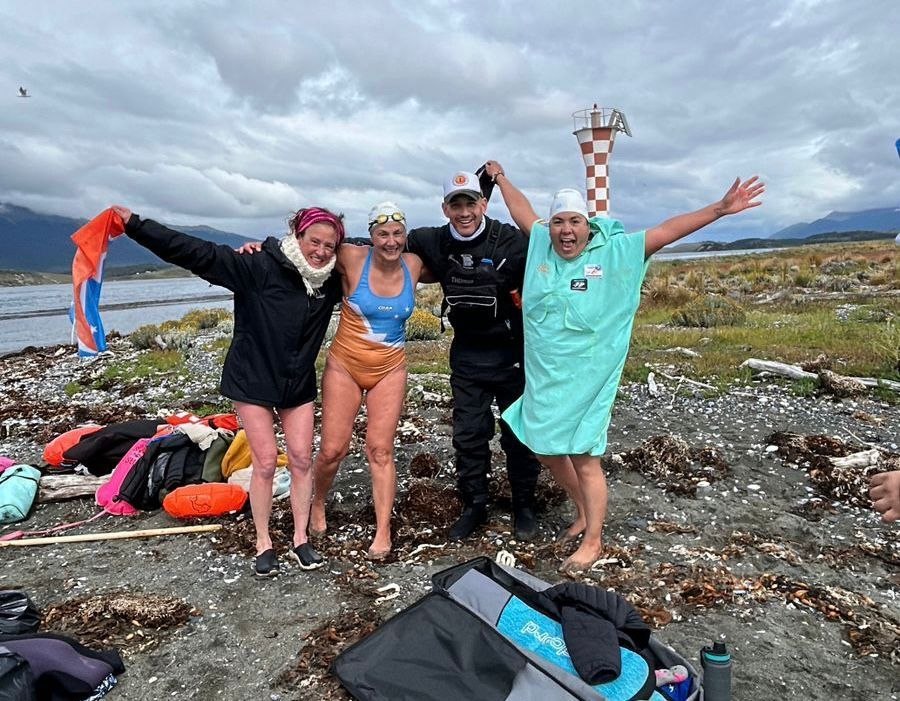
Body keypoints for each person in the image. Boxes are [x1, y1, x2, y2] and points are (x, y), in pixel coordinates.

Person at [482, 161, 764, 572]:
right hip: (546, 375)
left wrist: (719, 209)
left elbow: (667, 231)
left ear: (587, 224)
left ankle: (593, 541)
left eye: (574, 222)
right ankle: (581, 511)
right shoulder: (541, 241)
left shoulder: (615, 252)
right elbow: (521, 210)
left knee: (583, 455)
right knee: (543, 446)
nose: (566, 231)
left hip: (591, 376)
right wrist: (502, 178)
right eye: (559, 221)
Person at [111, 204, 344, 577]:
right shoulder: (256, 267)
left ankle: (301, 539)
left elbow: (376, 251)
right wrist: (135, 225)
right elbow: (193, 251)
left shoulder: (331, 280)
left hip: (296, 383)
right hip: (252, 380)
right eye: (313, 241)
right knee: (266, 461)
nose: (320, 251)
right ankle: (264, 542)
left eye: (329, 246)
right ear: (297, 236)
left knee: (301, 459)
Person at [405, 171, 542, 541]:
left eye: (471, 203)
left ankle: (524, 505)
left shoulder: (512, 242)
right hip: (467, 356)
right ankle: (475, 505)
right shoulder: (429, 240)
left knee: (518, 435)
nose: (464, 211)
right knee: (468, 435)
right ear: (445, 208)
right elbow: (381, 245)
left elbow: (555, 250)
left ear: (484, 204)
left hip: (513, 354)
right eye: (456, 204)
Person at [308, 203, 427, 559]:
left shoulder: (415, 265)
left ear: (405, 235)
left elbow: (462, 255)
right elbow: (309, 249)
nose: (391, 242)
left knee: (380, 448)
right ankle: (317, 502)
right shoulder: (350, 257)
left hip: (390, 368)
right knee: (333, 450)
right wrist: (257, 248)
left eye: (397, 234)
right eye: (383, 234)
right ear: (371, 236)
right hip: (345, 365)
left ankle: (383, 532)